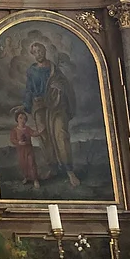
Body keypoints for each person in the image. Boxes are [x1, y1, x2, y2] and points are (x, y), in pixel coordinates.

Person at [23, 42, 80, 187]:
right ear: (33, 54)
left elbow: (64, 84)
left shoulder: (54, 69)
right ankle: (53, 167)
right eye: (35, 52)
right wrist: (27, 105)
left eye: (40, 50)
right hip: (39, 106)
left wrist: (59, 87)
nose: (38, 53)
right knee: (44, 138)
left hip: (56, 104)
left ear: (45, 51)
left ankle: (69, 170)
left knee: (61, 134)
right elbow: (29, 88)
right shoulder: (31, 71)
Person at [10, 110, 41, 188]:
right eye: (20, 118)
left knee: (31, 163)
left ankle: (35, 180)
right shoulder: (14, 130)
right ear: (17, 119)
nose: (22, 120)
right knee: (23, 164)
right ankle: (26, 177)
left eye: (24, 119)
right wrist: (19, 142)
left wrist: (40, 131)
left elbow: (33, 133)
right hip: (20, 150)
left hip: (28, 149)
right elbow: (13, 139)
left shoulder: (27, 129)